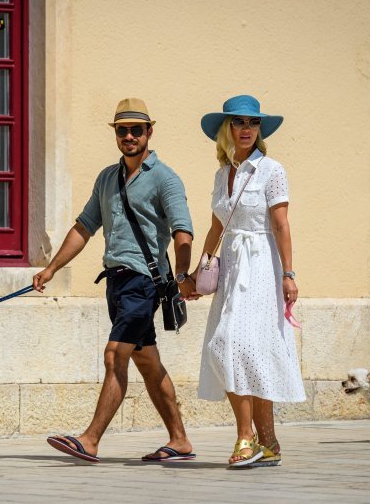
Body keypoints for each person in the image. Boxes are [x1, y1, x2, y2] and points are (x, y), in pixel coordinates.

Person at [33, 98, 197, 463]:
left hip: (144, 282)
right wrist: (52, 268)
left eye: (136, 130)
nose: (129, 136)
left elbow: (183, 231)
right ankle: (180, 439)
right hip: (116, 282)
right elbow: (83, 227)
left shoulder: (165, 178)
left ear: (149, 132)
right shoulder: (108, 177)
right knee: (147, 361)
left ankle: (90, 440)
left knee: (114, 355)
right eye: (122, 130)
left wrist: (184, 276)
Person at [192, 95, 305, 468]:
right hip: (232, 268)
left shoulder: (272, 170)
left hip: (261, 266)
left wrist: (289, 274)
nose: (246, 129)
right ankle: (268, 440)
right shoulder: (220, 174)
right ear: (227, 129)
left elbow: (281, 224)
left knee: (235, 344)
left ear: (260, 130)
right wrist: (200, 270)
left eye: (253, 123)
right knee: (238, 348)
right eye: (238, 122)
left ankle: (246, 438)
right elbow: (216, 226)